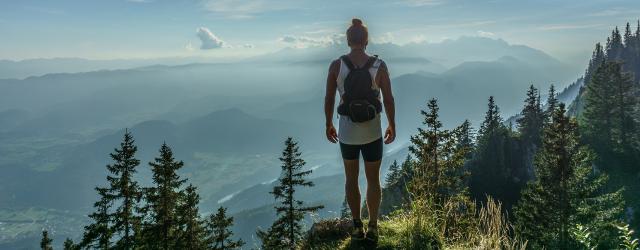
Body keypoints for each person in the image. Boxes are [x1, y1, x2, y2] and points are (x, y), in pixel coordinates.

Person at [324, 18, 395, 243]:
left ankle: (357, 227)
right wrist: (392, 124)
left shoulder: (337, 65)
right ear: (366, 40)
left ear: (348, 40)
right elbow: (389, 98)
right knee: (373, 180)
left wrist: (329, 123)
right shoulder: (379, 65)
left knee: (351, 178)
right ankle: (373, 226)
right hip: (373, 132)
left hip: (347, 132)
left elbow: (329, 97)